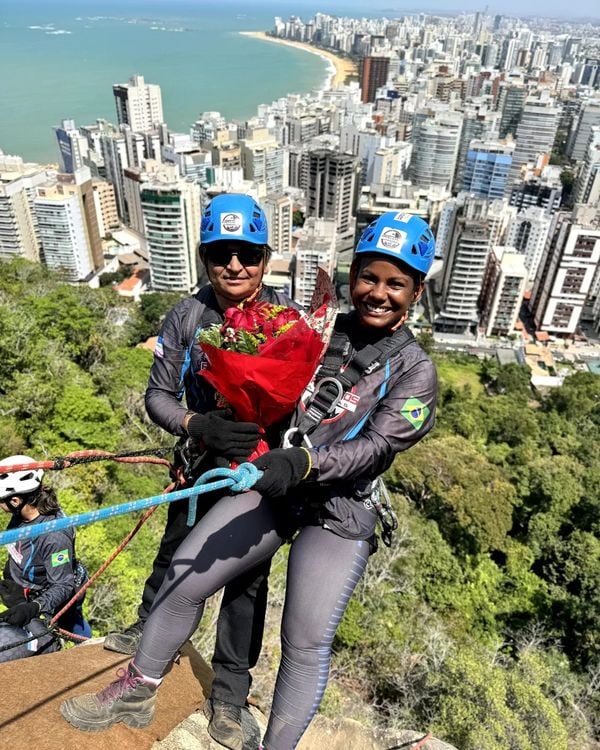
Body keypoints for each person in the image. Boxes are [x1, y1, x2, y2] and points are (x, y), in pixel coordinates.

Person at [60, 211, 438, 750]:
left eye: (395, 284)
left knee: (304, 641)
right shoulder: (316, 327)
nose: (378, 293)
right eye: (369, 278)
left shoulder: (414, 370)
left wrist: (303, 464)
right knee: (185, 574)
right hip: (276, 481)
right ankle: (138, 688)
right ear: (352, 276)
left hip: (340, 507)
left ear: (416, 291)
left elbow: (377, 447)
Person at [102, 193, 296, 750]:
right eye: (221, 254)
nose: (234, 265)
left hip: (259, 474)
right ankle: (149, 629)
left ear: (263, 257)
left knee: (246, 583)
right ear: (205, 257)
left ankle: (231, 693)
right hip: (199, 466)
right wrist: (197, 425)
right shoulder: (186, 316)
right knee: (175, 550)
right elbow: (156, 396)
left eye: (247, 254)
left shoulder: (286, 320)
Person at [0, 455, 91, 663]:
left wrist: (34, 607)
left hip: (54, 594)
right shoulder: (22, 513)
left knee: (72, 630)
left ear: (16, 500)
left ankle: (85, 653)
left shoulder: (54, 535)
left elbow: (62, 584)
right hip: (24, 588)